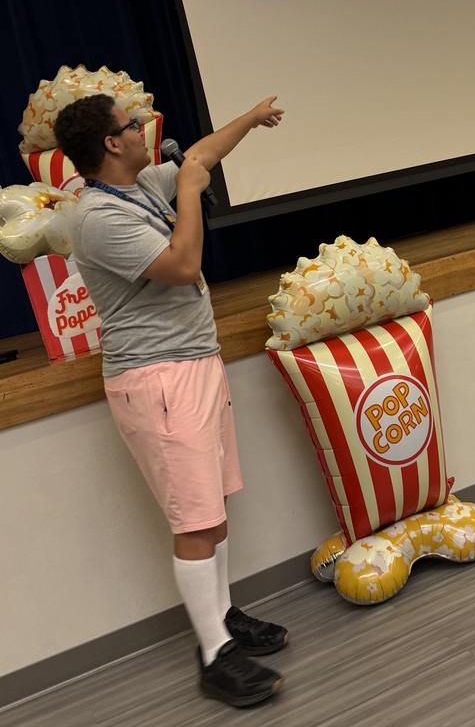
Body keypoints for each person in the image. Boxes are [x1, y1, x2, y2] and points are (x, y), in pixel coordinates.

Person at [54, 94, 288, 709]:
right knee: (195, 520)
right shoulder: (98, 218)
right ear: (112, 143)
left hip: (195, 365)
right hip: (157, 380)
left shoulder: (140, 186)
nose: (144, 129)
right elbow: (184, 264)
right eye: (132, 125)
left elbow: (202, 157)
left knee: (213, 507)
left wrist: (251, 119)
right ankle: (214, 656)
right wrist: (187, 192)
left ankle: (222, 615)